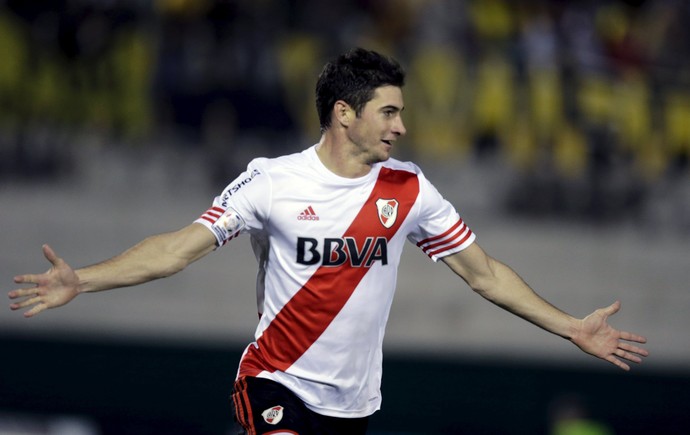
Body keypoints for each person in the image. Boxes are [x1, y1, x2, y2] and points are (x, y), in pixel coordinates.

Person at [8, 48, 648, 435]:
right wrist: (82, 279)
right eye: (389, 112)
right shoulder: (271, 180)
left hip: (354, 405)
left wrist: (570, 327)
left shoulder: (410, 189)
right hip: (275, 381)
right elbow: (177, 248)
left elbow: (484, 274)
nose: (401, 126)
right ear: (345, 112)